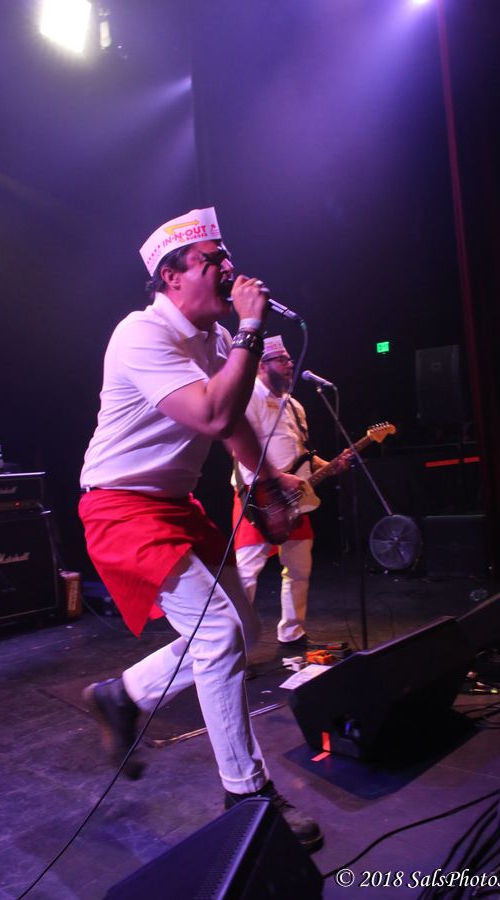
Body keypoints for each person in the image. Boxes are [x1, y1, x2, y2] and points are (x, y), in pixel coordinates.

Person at [78, 208, 321, 850]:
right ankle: (246, 796)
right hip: (121, 505)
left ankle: (123, 694)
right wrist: (250, 329)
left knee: (242, 631)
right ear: (171, 276)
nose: (229, 269)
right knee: (216, 633)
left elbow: (235, 421)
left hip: (173, 503)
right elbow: (213, 415)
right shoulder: (140, 333)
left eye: (225, 256)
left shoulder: (215, 340)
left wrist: (266, 482)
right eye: (212, 261)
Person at [232, 336, 351, 651]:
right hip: (259, 497)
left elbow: (303, 454)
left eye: (289, 360)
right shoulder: (249, 397)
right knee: (246, 574)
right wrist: (275, 478)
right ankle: (232, 646)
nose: (290, 365)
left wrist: (330, 465)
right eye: (282, 360)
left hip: (295, 499)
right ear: (262, 364)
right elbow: (239, 446)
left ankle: (292, 632)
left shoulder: (295, 406)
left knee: (299, 568)